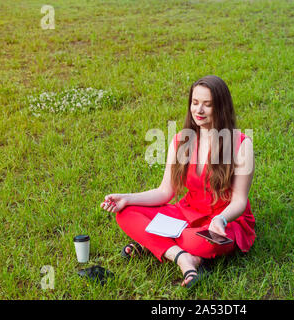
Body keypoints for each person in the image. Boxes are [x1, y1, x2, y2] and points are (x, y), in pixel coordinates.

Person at [100, 75, 255, 289]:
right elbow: (165, 191)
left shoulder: (241, 144)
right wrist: (127, 198)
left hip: (222, 222)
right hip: (186, 214)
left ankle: (152, 241)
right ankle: (184, 258)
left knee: (199, 241)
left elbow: (239, 201)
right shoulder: (182, 140)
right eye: (195, 102)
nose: (198, 110)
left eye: (207, 104)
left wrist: (220, 219)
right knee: (125, 213)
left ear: (221, 107)